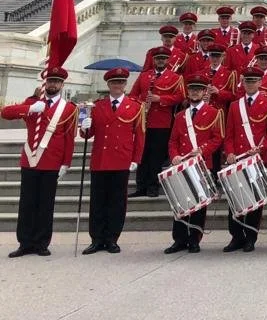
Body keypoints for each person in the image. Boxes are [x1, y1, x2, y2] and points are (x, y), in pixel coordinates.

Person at [2, 66, 77, 257]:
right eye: (50, 81)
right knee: (26, 203)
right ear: (45, 83)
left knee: (46, 204)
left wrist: (66, 163)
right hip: (30, 160)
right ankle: (25, 243)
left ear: (62, 84)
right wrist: (30, 108)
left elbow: (69, 137)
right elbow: (6, 113)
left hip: (52, 162)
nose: (53, 84)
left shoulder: (68, 108)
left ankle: (42, 242)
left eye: (57, 81)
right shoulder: (33, 103)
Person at [80, 68, 145, 254]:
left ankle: (112, 238)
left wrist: (136, 159)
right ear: (108, 85)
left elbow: (140, 136)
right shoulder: (97, 106)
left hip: (121, 159)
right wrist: (84, 126)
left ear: (125, 85)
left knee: (117, 202)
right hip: (101, 159)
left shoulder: (135, 106)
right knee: (98, 201)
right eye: (114, 83)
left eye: (121, 83)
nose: (118, 86)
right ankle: (96, 238)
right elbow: (87, 134)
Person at [222, 66, 267, 253]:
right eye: (247, 81)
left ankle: (251, 237)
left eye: (253, 81)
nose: (250, 84)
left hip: (258, 158)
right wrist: (229, 152)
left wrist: (261, 149)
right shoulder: (234, 105)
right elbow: (229, 133)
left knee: (255, 201)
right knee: (236, 200)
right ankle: (236, 236)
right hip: (237, 158)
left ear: (260, 82)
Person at [164, 73, 224, 254]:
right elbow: (173, 140)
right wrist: (174, 156)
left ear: (205, 91)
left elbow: (217, 138)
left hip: (201, 163)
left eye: (198, 89)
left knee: (199, 203)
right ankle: (179, 239)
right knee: (181, 202)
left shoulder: (214, 113)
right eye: (192, 89)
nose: (195, 92)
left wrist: (203, 151)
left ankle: (194, 238)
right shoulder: (180, 115)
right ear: (188, 92)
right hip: (182, 163)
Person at [128, 46, 185, 197]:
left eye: (164, 59)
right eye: (158, 58)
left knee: (156, 156)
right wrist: (141, 102)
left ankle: (153, 186)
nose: (161, 61)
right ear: (154, 60)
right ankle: (141, 186)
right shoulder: (144, 76)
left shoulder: (175, 77)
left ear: (168, 60)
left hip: (161, 122)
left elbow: (180, 97)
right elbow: (133, 94)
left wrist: (160, 99)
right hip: (143, 121)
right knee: (142, 154)